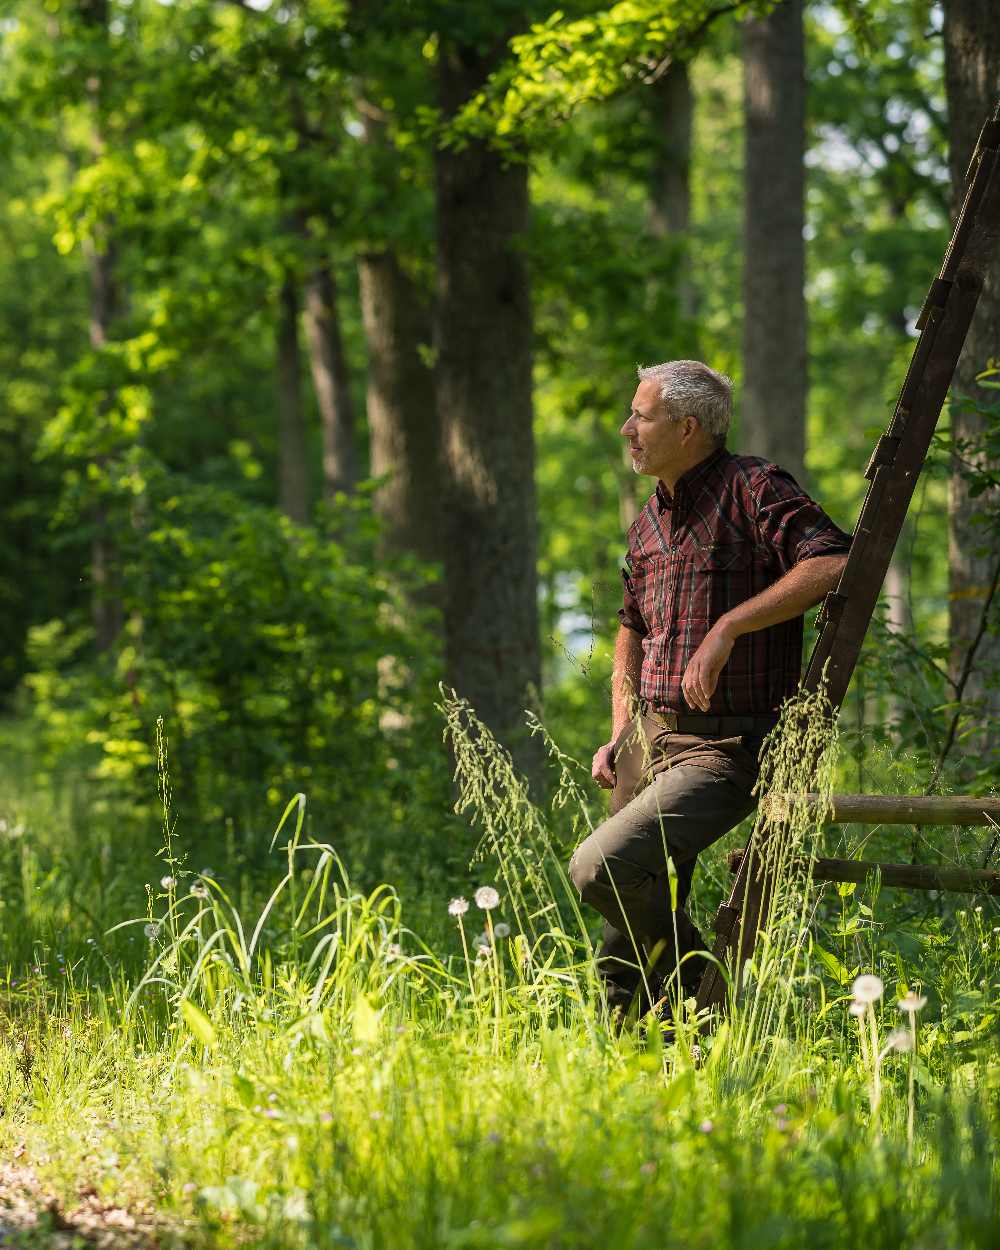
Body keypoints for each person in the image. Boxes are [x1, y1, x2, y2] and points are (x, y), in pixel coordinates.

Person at [568, 359, 851, 1028]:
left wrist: (730, 625)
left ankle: (705, 999)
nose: (625, 428)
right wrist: (620, 727)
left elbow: (834, 560)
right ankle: (643, 1056)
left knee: (601, 869)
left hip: (726, 745)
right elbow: (630, 628)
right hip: (649, 740)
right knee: (622, 946)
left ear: (688, 427)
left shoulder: (753, 487)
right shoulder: (648, 521)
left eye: (641, 416)